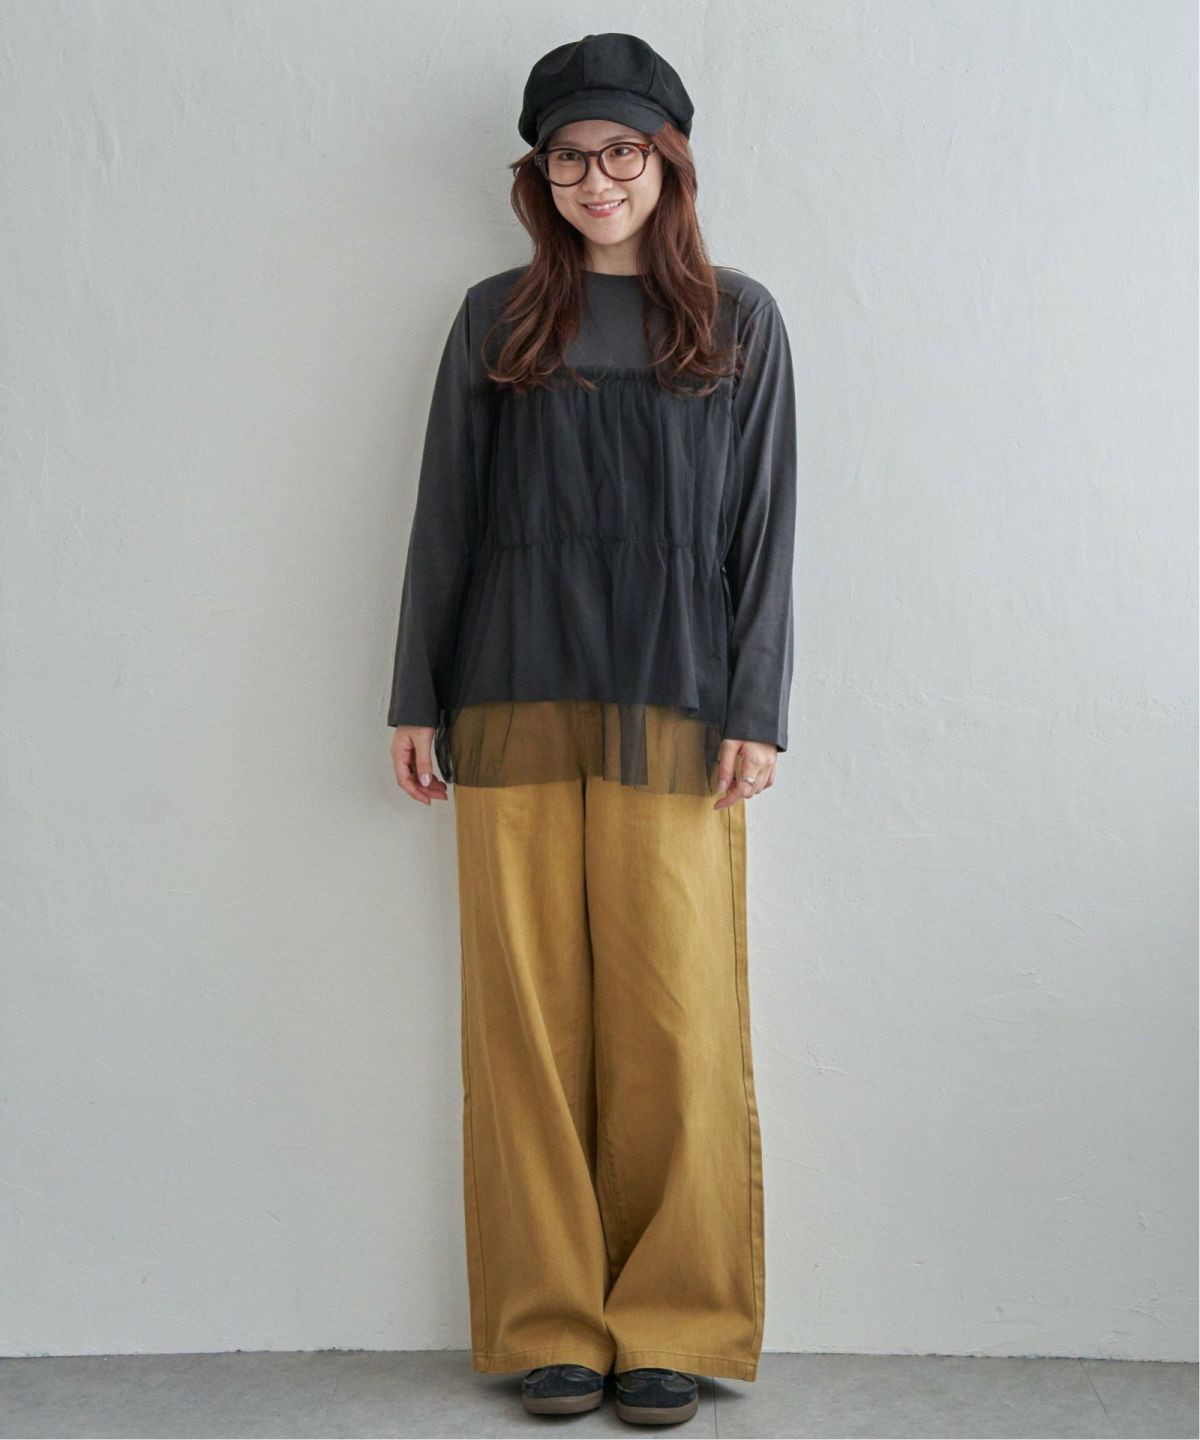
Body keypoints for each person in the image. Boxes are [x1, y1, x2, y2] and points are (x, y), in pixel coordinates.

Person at [386, 32, 797, 1428]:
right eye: (569, 156)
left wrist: (757, 706)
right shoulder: (494, 317)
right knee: (527, 1018)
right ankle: (551, 1322)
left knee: (677, 1014)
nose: (597, 179)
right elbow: (446, 514)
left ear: (667, 163)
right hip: (509, 690)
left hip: (677, 701)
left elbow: (765, 531)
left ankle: (673, 1319)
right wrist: (415, 696)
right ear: (540, 176)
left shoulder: (738, 320)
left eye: (623, 151)